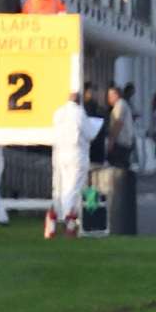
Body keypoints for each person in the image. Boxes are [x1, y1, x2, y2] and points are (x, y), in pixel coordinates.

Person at [50, 90, 91, 233]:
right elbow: (89, 133)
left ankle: (59, 216)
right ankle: (68, 218)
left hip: (61, 154)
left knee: (63, 187)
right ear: (79, 100)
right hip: (76, 154)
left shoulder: (59, 112)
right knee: (73, 189)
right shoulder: (79, 113)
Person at [104, 83, 134, 170]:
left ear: (116, 95)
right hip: (125, 142)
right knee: (124, 167)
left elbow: (118, 123)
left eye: (110, 96)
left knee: (119, 168)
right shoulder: (122, 104)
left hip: (121, 143)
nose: (108, 99)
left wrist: (111, 141)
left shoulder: (120, 105)